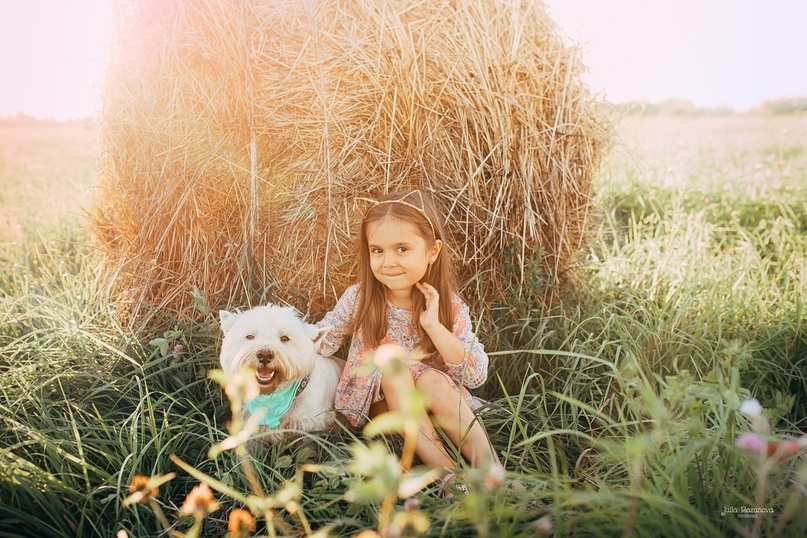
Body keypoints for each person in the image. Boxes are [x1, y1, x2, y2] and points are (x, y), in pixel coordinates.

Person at [316, 188, 501, 491]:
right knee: (396, 370)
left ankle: (495, 474)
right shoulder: (359, 298)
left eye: (402, 249)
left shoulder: (449, 306)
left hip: (433, 402)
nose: (388, 261)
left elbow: (476, 375)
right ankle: (452, 477)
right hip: (380, 407)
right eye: (378, 250)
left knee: (431, 380)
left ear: (432, 251)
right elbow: (323, 341)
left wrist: (434, 327)